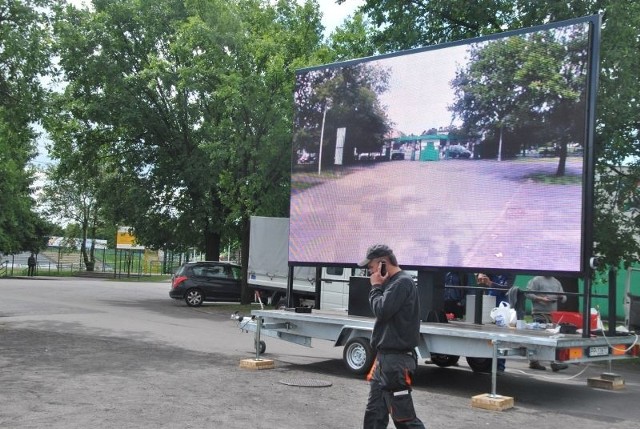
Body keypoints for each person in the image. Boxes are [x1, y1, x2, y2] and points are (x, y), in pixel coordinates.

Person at [359, 244, 425, 429]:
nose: (369, 272)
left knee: (404, 418)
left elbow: (382, 310)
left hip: (396, 362)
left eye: (371, 267)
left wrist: (376, 286)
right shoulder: (394, 283)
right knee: (374, 414)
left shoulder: (401, 283)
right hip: (385, 360)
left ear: (382, 263)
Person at [526, 276, 569, 372]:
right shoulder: (536, 280)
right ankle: (533, 362)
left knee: (553, 338)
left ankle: (553, 362)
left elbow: (564, 297)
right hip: (539, 313)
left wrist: (561, 297)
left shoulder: (557, 281)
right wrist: (541, 299)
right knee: (538, 338)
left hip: (553, 315)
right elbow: (528, 293)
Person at [476, 272, 516, 373]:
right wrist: (479, 275)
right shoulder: (492, 269)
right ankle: (488, 365)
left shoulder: (510, 273)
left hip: (502, 308)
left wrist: (490, 283)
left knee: (501, 339)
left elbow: (507, 288)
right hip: (490, 306)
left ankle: (500, 367)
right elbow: (481, 270)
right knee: (487, 337)